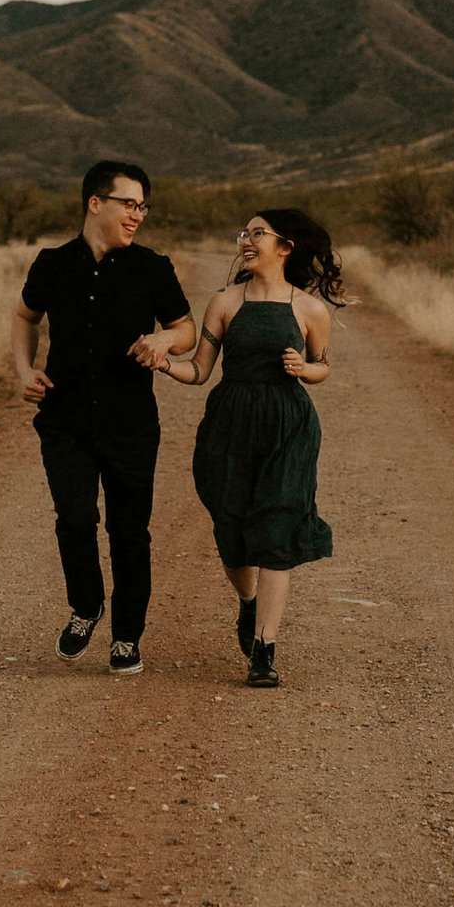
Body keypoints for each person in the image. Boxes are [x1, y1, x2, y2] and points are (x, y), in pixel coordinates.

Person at [12, 160, 194, 675]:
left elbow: (185, 328)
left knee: (129, 531)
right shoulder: (51, 263)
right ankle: (86, 605)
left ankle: (127, 638)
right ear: (96, 203)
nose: (138, 215)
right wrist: (23, 370)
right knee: (74, 519)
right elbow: (25, 315)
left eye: (144, 207)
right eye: (129, 204)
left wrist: (163, 339)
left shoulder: (152, 268)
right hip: (64, 419)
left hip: (131, 423)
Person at [152, 208, 341, 689]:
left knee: (277, 527)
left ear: (286, 247)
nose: (247, 241)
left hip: (287, 426)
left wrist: (303, 368)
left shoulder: (309, 309)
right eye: (245, 233)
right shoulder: (224, 302)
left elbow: (323, 367)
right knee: (233, 530)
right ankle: (248, 602)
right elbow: (199, 370)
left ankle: (264, 649)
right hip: (231, 422)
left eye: (259, 233)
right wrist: (161, 364)